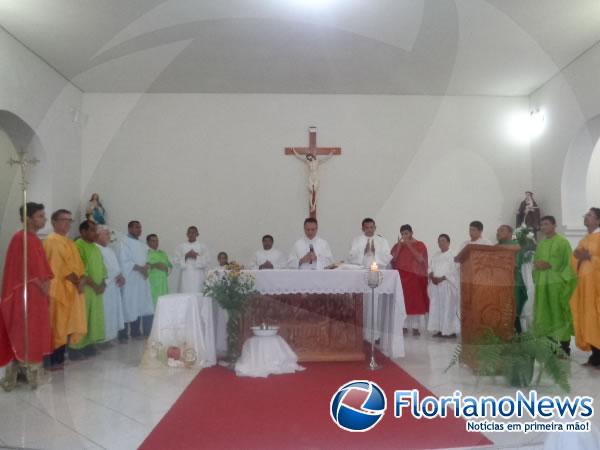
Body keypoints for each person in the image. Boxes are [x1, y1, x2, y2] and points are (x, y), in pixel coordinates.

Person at [0, 202, 53, 390]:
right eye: (40, 216)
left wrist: (44, 288)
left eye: (43, 215)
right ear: (28, 219)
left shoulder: (33, 239)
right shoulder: (20, 239)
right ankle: (26, 375)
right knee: (25, 333)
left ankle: (22, 374)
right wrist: (43, 286)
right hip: (27, 295)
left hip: (36, 296)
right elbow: (25, 272)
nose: (44, 219)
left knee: (32, 332)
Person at [43, 209, 87, 369]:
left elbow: (79, 265)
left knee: (67, 324)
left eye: (70, 220)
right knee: (57, 325)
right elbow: (58, 268)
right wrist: (77, 280)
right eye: (64, 220)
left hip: (72, 289)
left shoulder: (69, 242)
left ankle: (60, 358)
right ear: (54, 222)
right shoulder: (52, 240)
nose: (67, 223)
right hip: (58, 290)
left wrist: (82, 278)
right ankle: (53, 361)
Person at [532, 216, 576, 356]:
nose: (543, 227)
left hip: (557, 285)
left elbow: (570, 263)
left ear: (554, 225)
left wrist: (551, 265)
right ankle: (550, 346)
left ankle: (564, 347)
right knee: (545, 315)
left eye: (546, 224)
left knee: (559, 315)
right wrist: (537, 265)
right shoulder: (541, 244)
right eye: (542, 224)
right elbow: (536, 262)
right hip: (543, 285)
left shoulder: (562, 242)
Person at [69, 220, 107, 359]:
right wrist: (95, 285)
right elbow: (80, 270)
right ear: (83, 232)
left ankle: (89, 344)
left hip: (96, 291)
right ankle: (75, 348)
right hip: (84, 290)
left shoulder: (96, 248)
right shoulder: (78, 246)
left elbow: (102, 268)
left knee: (93, 318)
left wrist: (103, 282)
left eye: (95, 229)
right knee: (81, 318)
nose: (95, 233)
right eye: (91, 230)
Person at [570, 207, 600, 367]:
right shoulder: (585, 239)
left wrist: (590, 257)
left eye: (590, 215)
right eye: (586, 215)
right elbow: (576, 258)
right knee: (589, 319)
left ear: (598, 220)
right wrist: (577, 257)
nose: (586, 218)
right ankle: (595, 356)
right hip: (584, 287)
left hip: (596, 287)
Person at [117, 221, 154, 341]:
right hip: (130, 278)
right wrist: (140, 269)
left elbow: (147, 258)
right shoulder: (124, 242)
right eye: (137, 227)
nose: (140, 230)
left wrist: (146, 266)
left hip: (141, 279)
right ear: (130, 228)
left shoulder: (142, 244)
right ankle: (123, 335)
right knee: (128, 305)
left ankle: (136, 332)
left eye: (140, 227)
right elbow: (125, 261)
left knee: (139, 305)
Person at [390, 224, 429, 336]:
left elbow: (421, 259)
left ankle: (416, 327)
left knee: (415, 302)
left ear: (412, 233)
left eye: (406, 233)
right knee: (403, 302)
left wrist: (409, 245)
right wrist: (398, 247)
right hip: (401, 277)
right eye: (402, 234)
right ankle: (404, 326)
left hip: (415, 277)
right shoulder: (398, 245)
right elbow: (393, 260)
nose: (404, 236)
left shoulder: (420, 244)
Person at [496, 224, 528, 333]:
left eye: (502, 230)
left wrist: (495, 248)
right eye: (498, 230)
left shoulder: (514, 244)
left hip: (514, 281)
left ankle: (517, 337)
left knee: (513, 311)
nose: (498, 232)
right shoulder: (496, 246)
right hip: (499, 282)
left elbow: (516, 248)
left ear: (510, 233)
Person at [96, 226, 125, 343]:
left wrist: (120, 275)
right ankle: (100, 340)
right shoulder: (96, 249)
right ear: (98, 235)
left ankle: (109, 338)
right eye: (106, 234)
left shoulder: (109, 250)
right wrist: (115, 275)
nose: (109, 236)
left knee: (111, 312)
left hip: (113, 287)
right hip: (105, 286)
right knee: (104, 312)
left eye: (109, 234)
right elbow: (101, 268)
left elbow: (116, 267)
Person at [427, 234, 460, 338]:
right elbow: (430, 267)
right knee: (437, 308)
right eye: (439, 241)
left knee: (448, 308)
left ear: (448, 242)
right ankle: (440, 329)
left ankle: (450, 331)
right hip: (436, 285)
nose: (441, 243)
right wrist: (431, 275)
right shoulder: (436, 255)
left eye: (443, 241)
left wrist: (442, 278)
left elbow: (455, 271)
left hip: (447, 285)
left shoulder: (454, 254)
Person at [173, 226, 210, 293]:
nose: (191, 234)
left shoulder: (202, 246)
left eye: (193, 232)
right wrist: (186, 256)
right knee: (185, 293)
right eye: (189, 232)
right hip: (185, 275)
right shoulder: (181, 246)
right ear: (187, 234)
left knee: (198, 293)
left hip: (198, 276)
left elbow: (207, 261)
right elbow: (175, 261)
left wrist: (196, 256)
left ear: (197, 234)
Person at [147, 233, 172, 307]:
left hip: (163, 283)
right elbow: (143, 268)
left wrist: (167, 269)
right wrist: (154, 265)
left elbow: (170, 266)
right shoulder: (146, 253)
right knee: (153, 305)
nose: (156, 242)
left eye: (157, 240)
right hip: (152, 283)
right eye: (153, 241)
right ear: (148, 242)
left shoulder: (162, 253)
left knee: (164, 305)